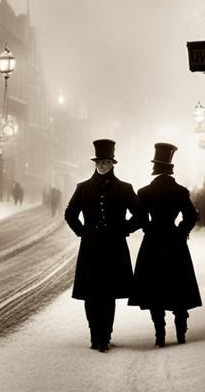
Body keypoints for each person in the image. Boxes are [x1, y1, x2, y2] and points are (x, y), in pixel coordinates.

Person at [64, 139, 141, 352]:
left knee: (108, 294)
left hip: (114, 249)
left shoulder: (125, 188)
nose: (103, 165)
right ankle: (94, 334)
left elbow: (141, 216)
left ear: (113, 163)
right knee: (90, 295)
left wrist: (125, 229)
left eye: (107, 162)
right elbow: (70, 214)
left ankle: (105, 335)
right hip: (90, 250)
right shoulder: (83, 188)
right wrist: (83, 232)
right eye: (100, 162)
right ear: (95, 163)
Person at [130, 143, 202, 347]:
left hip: (152, 243)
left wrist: (146, 228)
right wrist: (180, 232)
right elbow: (190, 216)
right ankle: (181, 332)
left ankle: (159, 334)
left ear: (155, 169)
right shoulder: (180, 191)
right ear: (170, 168)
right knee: (178, 286)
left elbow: (140, 219)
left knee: (154, 290)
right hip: (174, 242)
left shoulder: (144, 192)